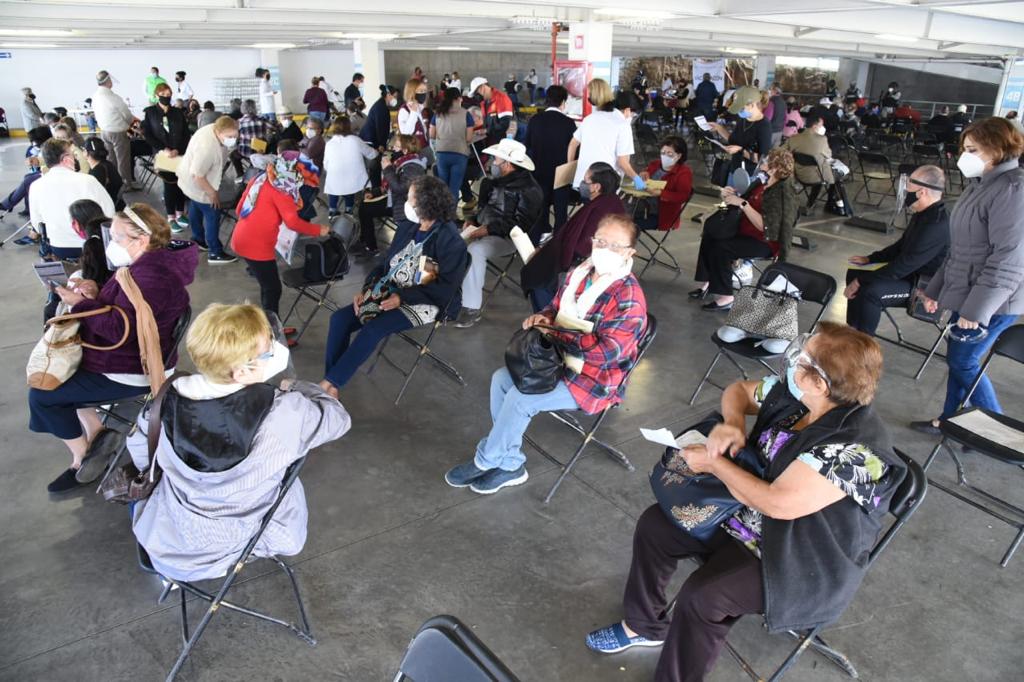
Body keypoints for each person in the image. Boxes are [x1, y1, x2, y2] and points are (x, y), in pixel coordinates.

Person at [586, 323, 904, 682]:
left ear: (820, 384)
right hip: (743, 515)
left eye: (803, 357)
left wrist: (714, 464)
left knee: (703, 597)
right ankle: (643, 624)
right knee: (655, 527)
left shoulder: (854, 450)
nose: (793, 359)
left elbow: (778, 504)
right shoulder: (797, 396)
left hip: (797, 556)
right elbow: (738, 390)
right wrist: (734, 422)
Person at [130, 302, 351, 582]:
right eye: (268, 350)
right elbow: (337, 419)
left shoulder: (162, 401)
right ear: (241, 373)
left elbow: (141, 451)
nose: (275, 350)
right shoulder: (280, 411)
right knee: (288, 477)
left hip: (166, 541)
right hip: (229, 545)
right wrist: (294, 387)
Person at [446, 213, 648, 494]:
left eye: (615, 245)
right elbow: (554, 307)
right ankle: (510, 463)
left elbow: (607, 353)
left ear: (629, 252)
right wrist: (543, 317)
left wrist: (557, 333)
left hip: (594, 379)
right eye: (601, 241)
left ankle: (486, 460)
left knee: (520, 400)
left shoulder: (628, 297)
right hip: (558, 360)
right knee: (500, 380)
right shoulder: (582, 272)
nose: (605, 249)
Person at [28, 204, 198, 494]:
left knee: (43, 394)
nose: (111, 243)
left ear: (141, 240)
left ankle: (82, 459)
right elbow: (124, 312)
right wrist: (95, 294)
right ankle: (97, 434)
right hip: (130, 358)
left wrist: (80, 305)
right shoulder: (152, 266)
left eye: (117, 237)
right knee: (62, 376)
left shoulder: (151, 278)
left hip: (132, 369)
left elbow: (119, 330)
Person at [912, 118, 1024, 436]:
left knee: (963, 361)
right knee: (958, 358)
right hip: (970, 292)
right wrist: (935, 290)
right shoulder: (982, 185)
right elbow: (961, 248)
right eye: (965, 149)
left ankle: (996, 430)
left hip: (994, 300)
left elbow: (1008, 257)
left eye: (973, 150)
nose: (965, 156)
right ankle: (950, 421)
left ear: (997, 148)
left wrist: (976, 310)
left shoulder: (1013, 189)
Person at [320, 176, 467, 396]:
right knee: (339, 319)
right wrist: (368, 288)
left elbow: (445, 289)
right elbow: (384, 264)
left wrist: (401, 298)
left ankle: (327, 386)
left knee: (373, 329)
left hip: (427, 300)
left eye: (410, 198)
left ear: (425, 204)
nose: (405, 202)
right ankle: (331, 385)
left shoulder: (450, 240)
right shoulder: (408, 227)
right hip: (391, 289)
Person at [845, 166, 949, 336]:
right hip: (910, 274)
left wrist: (861, 281)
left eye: (909, 186)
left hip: (923, 287)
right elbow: (901, 246)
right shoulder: (923, 213)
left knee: (870, 291)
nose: (906, 190)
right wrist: (871, 259)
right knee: (854, 274)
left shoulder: (936, 224)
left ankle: (863, 343)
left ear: (922, 192)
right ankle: (852, 332)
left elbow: (903, 265)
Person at [692, 148, 798, 311]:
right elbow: (739, 201)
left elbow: (765, 226)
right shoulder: (762, 182)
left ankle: (726, 296)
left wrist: (743, 204)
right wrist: (727, 196)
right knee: (710, 235)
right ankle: (709, 281)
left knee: (721, 247)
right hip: (744, 231)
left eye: (765, 162)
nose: (761, 164)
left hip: (765, 242)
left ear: (774, 168)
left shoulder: (782, 193)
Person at [454, 139, 544, 328]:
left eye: (495, 160)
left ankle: (471, 307)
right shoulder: (494, 182)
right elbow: (486, 210)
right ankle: (452, 291)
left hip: (507, 238)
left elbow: (521, 225)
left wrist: (488, 229)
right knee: (451, 240)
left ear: (507, 164)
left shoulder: (529, 189)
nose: (492, 163)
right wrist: (473, 221)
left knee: (475, 250)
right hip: (485, 231)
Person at [231, 153, 329, 317]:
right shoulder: (283, 190)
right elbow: (293, 222)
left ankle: (267, 324)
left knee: (267, 286)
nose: (301, 183)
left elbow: (239, 208)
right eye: (302, 179)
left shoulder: (262, 176)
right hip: (257, 246)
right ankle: (271, 329)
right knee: (272, 289)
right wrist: (319, 229)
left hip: (241, 237)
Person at [523, 162, 625, 311]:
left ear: (596, 187)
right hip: (594, 262)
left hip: (584, 265)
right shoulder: (613, 202)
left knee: (537, 279)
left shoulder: (599, 208)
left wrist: (547, 253)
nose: (582, 185)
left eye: (585, 181)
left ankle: (547, 318)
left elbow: (579, 246)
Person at [29, 139, 116, 260]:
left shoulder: (35, 186)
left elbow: (37, 222)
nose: (75, 158)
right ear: (66, 159)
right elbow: (109, 212)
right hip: (90, 245)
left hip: (58, 247)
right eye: (73, 155)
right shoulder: (87, 181)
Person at [177, 115, 240, 264]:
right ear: (218, 132)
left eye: (235, 136)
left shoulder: (212, 128)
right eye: (229, 137)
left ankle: (198, 239)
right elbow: (198, 175)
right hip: (198, 181)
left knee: (195, 206)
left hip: (191, 179)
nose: (233, 140)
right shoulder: (208, 148)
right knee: (213, 212)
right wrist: (212, 193)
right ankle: (215, 252)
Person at [355, 134, 427, 258]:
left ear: (405, 150)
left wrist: (388, 169)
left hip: (404, 207)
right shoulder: (403, 162)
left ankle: (370, 246)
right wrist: (374, 192)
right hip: (396, 200)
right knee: (364, 205)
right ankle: (366, 241)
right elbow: (390, 186)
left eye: (396, 146)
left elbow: (400, 188)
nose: (393, 149)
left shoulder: (413, 167)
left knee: (365, 209)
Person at [524, 84, 577, 235]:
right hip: (561, 175)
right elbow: (575, 150)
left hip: (538, 173)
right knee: (561, 213)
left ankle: (542, 238)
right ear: (563, 102)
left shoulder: (535, 120)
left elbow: (527, 146)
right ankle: (559, 240)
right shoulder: (568, 123)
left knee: (541, 210)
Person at [567, 87, 644, 191]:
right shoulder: (623, 125)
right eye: (633, 114)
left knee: (585, 202)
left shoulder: (590, 118)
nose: (632, 117)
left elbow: (573, 143)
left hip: (581, 181)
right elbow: (622, 162)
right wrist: (636, 178)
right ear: (627, 110)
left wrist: (570, 169)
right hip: (602, 185)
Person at [142, 81, 192, 230]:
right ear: (157, 95)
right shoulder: (150, 112)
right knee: (169, 184)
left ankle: (180, 213)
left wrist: (178, 149)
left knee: (181, 183)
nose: (166, 96)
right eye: (163, 94)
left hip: (179, 153)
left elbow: (185, 133)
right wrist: (164, 149)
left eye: (169, 94)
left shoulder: (177, 112)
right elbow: (148, 134)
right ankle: (171, 217)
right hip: (163, 154)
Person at [782, 111, 846, 215]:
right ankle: (838, 205)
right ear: (815, 126)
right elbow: (829, 155)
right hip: (817, 176)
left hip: (799, 175)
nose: (823, 127)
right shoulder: (822, 139)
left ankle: (812, 205)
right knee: (837, 177)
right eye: (821, 125)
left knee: (821, 177)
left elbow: (782, 151)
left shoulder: (794, 138)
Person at [707, 86, 772, 183]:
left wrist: (740, 150)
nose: (739, 113)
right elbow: (732, 139)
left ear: (752, 105)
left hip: (748, 175)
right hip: (734, 168)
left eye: (741, 109)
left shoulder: (764, 126)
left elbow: (762, 159)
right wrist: (719, 128)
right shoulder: (743, 119)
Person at [634, 136, 694, 231]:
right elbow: (646, 176)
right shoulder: (655, 164)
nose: (665, 156)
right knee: (616, 217)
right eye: (662, 153)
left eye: (669, 154)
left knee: (626, 225)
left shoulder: (683, 173)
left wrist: (661, 193)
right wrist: (643, 174)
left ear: (679, 156)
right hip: (640, 207)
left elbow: (683, 197)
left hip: (661, 216)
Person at [323, 116, 377, 219]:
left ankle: (332, 210)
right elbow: (372, 154)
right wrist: (378, 151)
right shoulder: (355, 140)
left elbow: (326, 164)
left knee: (333, 183)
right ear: (349, 126)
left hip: (335, 179)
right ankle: (349, 209)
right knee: (350, 183)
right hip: (353, 181)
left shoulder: (329, 144)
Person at [93, 70, 138, 191]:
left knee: (111, 159)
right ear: (108, 81)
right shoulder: (113, 97)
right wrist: (130, 123)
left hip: (104, 131)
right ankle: (126, 184)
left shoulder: (95, 96)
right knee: (122, 159)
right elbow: (127, 115)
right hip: (118, 132)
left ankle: (114, 182)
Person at [430, 87, 474, 201]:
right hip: (459, 154)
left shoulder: (438, 113)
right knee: (454, 188)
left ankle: (442, 211)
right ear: (459, 98)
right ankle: (451, 212)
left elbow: (431, 134)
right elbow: (469, 138)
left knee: (443, 188)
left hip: (442, 153)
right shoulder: (466, 114)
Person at [0, 125, 51, 223]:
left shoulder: (50, 147)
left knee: (28, 181)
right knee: (28, 179)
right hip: (41, 170)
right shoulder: (33, 148)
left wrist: (37, 160)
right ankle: (23, 207)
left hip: (49, 171)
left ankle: (9, 204)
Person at [470, 76, 517, 143]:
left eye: (476, 92)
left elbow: (505, 124)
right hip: (491, 139)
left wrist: (486, 131)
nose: (476, 96)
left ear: (483, 87)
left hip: (503, 141)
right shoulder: (484, 103)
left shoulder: (501, 98)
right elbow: (487, 123)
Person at [82, 137, 124, 211]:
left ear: (86, 152)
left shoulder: (97, 172)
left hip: (107, 209)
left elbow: (94, 197)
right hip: (117, 205)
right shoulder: (107, 164)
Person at [360, 85, 399, 152]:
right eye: (395, 96)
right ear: (388, 95)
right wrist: (381, 145)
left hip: (371, 138)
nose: (396, 99)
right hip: (369, 139)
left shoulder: (382, 105)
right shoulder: (381, 107)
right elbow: (380, 127)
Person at [398, 78, 430, 153]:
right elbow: (406, 133)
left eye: (425, 91)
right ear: (412, 92)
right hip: (414, 151)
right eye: (421, 91)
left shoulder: (420, 108)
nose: (423, 94)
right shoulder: (404, 110)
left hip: (425, 147)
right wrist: (413, 113)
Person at [767, 84, 787, 148]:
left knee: (766, 151)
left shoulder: (771, 101)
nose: (770, 91)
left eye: (771, 89)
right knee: (774, 151)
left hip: (771, 131)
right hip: (780, 131)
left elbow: (767, 118)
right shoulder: (783, 102)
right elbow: (785, 118)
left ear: (775, 90)